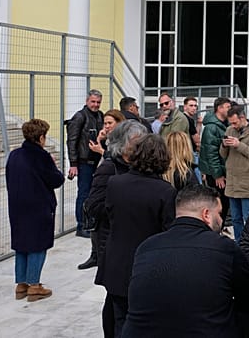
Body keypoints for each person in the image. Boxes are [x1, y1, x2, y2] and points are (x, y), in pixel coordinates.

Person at [121, 184, 249, 338]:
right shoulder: (225, 248)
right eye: (219, 213)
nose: (221, 220)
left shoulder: (146, 247)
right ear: (206, 214)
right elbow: (246, 298)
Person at [102, 134, 177, 336]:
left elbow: (110, 216)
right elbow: (168, 231)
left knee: (120, 320)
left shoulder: (115, 183)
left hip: (116, 263)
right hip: (148, 267)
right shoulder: (165, 191)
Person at [84, 120, 148, 336]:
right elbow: (93, 205)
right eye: (137, 142)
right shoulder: (109, 168)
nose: (141, 146)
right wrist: (123, 205)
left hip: (135, 242)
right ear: (123, 144)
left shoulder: (140, 167)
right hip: (114, 244)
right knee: (117, 303)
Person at [5, 119, 65, 302]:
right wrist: (54, 166)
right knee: (38, 244)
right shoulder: (42, 156)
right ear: (41, 138)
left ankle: (21, 284)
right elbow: (56, 180)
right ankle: (34, 285)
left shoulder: (14, 155)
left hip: (17, 206)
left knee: (21, 244)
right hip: (39, 206)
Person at [79, 108, 125, 270]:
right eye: (105, 123)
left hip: (113, 180)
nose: (106, 126)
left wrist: (102, 151)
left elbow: (118, 159)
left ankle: (103, 256)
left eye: (110, 123)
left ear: (119, 123)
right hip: (101, 176)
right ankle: (95, 254)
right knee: (96, 217)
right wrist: (100, 141)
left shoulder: (123, 139)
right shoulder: (108, 138)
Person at [220, 105, 249, 241]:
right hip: (232, 182)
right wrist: (224, 145)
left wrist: (239, 145)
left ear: (243, 118)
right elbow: (223, 155)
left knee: (248, 218)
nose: (233, 126)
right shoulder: (230, 130)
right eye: (231, 123)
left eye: (235, 122)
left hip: (247, 182)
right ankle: (239, 243)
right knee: (235, 218)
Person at [66, 89, 104, 237]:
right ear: (87, 101)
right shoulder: (79, 117)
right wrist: (73, 164)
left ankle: (90, 222)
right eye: (93, 101)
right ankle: (81, 225)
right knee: (84, 193)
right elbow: (72, 141)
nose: (95, 105)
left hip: (96, 160)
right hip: (83, 162)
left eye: (98, 102)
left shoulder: (100, 116)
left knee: (93, 193)